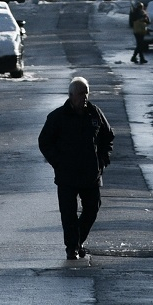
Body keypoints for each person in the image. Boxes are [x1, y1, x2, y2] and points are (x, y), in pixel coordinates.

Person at [38, 77, 115, 260]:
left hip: (91, 173)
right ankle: (72, 247)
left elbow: (108, 136)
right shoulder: (57, 117)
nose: (85, 97)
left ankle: (77, 241)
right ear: (71, 95)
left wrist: (102, 160)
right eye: (81, 93)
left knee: (92, 208)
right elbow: (44, 142)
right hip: (67, 175)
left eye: (86, 92)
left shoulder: (95, 113)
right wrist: (58, 162)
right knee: (68, 213)